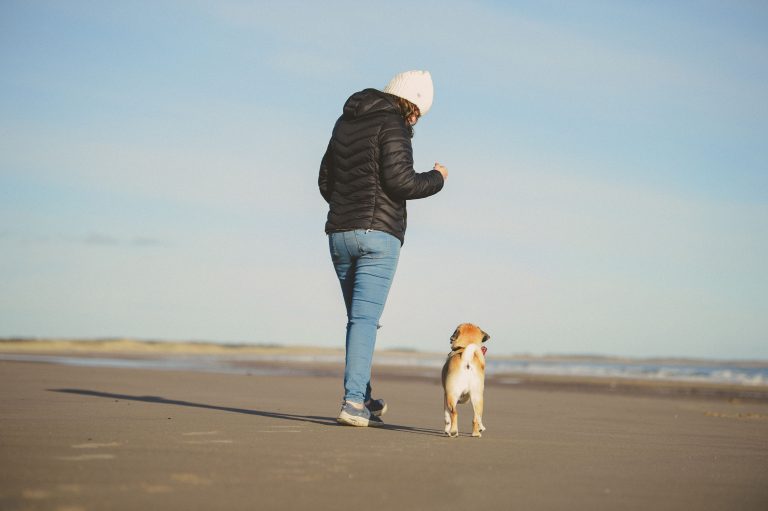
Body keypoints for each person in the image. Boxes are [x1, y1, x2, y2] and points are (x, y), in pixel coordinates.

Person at [318, 70, 448, 427]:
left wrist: (348, 205)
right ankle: (352, 403)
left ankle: (363, 397)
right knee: (363, 321)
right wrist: (437, 178)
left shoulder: (346, 121)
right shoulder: (394, 125)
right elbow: (401, 181)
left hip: (340, 233)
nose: (416, 120)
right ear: (412, 104)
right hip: (378, 237)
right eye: (419, 112)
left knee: (359, 322)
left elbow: (325, 180)